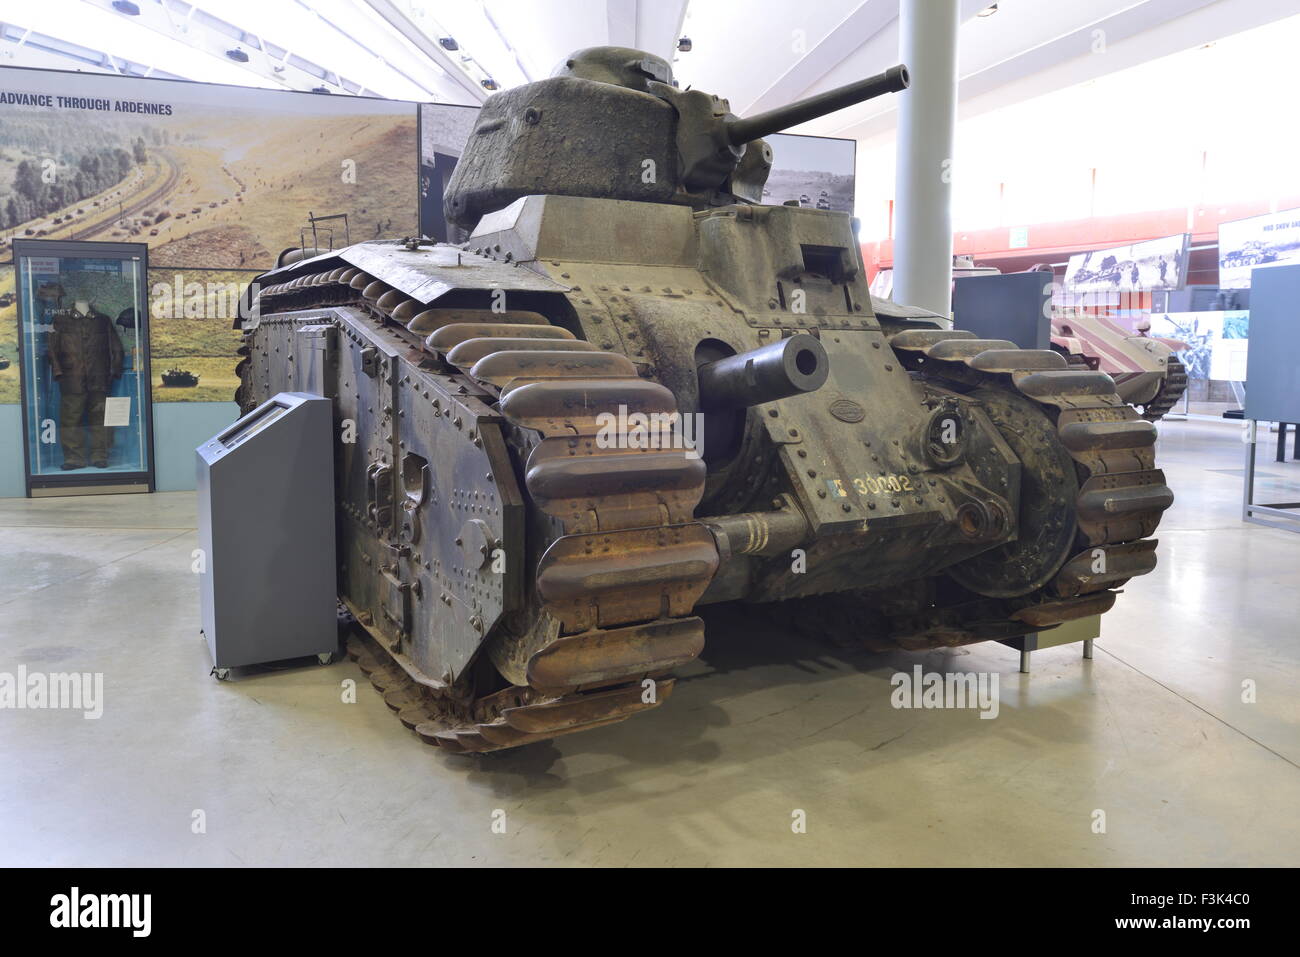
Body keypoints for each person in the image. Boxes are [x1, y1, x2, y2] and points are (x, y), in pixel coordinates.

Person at [48, 300, 124, 469]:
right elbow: (52, 349)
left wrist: (115, 371)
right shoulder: (61, 321)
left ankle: (100, 455)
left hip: (99, 378)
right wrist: (58, 371)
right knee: (70, 419)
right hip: (71, 378)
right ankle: (74, 458)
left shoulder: (103, 321)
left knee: (101, 418)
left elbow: (116, 347)